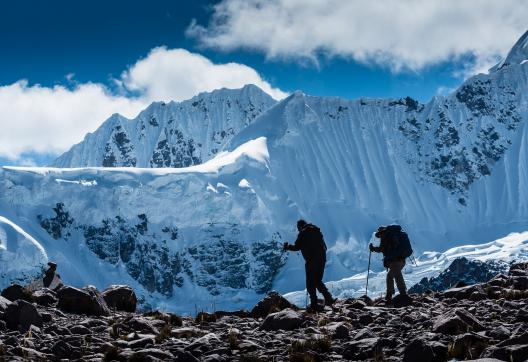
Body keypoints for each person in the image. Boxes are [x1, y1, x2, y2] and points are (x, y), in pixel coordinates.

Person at [283, 219, 335, 311]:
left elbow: (297, 247)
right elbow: (324, 247)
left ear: (300, 227)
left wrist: (287, 247)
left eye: (298, 228)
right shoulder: (317, 231)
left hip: (311, 261)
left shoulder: (303, 233)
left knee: (310, 283)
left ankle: (314, 304)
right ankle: (329, 298)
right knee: (317, 280)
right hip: (322, 259)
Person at [369, 225, 408, 304]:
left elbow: (381, 249)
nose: (380, 236)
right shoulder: (391, 236)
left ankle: (403, 294)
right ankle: (389, 295)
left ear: (381, 232)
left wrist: (373, 248)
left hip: (395, 261)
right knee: (390, 276)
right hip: (401, 260)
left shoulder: (385, 237)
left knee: (396, 275)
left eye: (380, 234)